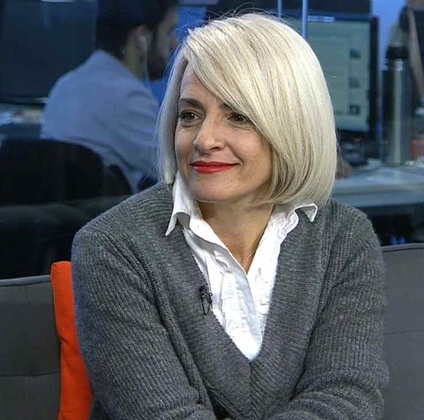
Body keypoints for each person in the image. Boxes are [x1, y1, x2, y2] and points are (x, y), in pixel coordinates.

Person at [71, 12, 388, 419]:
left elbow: (345, 397)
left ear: (291, 125)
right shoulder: (114, 246)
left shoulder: (344, 238)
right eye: (190, 115)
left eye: (237, 116)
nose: (204, 139)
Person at [41, 0, 179, 193]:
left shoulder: (65, 84)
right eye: (169, 31)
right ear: (141, 38)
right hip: (100, 211)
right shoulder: (126, 96)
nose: (175, 44)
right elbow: (179, 174)